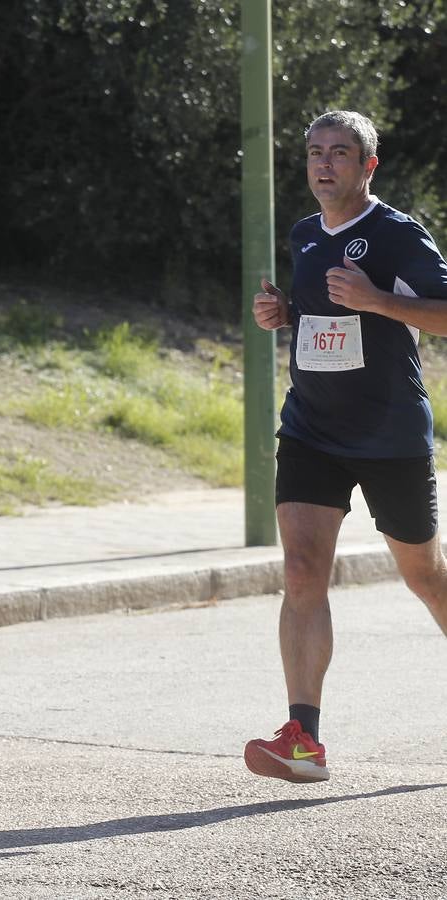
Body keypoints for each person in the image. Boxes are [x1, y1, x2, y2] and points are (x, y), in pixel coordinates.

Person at [247, 110, 447, 783]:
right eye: (313, 153)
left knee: (426, 577)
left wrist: (380, 301)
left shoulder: (396, 236)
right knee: (302, 570)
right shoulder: (306, 235)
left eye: (339, 152)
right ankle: (303, 739)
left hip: (389, 434)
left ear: (368, 166)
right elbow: (323, 317)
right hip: (312, 428)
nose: (324, 164)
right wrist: (286, 315)